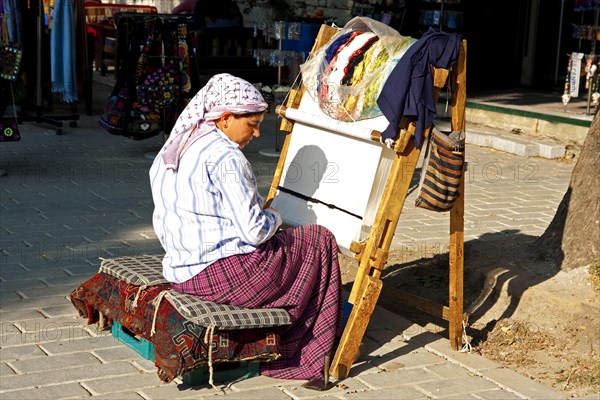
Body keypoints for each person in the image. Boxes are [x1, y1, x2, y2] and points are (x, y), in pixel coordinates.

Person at [149, 73, 343, 381]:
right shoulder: (226, 157)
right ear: (225, 118)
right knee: (320, 239)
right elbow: (254, 231)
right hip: (218, 277)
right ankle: (306, 353)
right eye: (251, 125)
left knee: (297, 244)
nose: (254, 134)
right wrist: (276, 215)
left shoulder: (176, 147)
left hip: (181, 272)